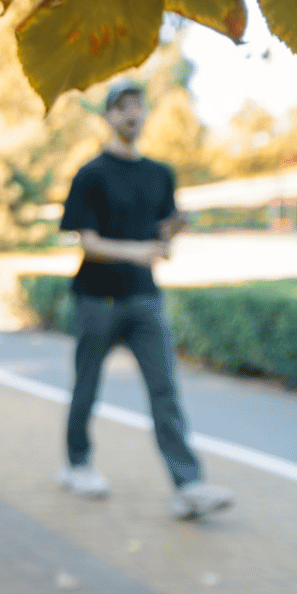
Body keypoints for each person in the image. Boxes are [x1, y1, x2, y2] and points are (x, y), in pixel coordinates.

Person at [56, 79, 234, 520]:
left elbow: (158, 237)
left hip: (144, 299)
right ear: (108, 116)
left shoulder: (160, 174)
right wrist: (138, 251)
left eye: (137, 105)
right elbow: (88, 241)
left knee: (165, 390)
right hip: (96, 299)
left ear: (146, 113)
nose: (131, 114)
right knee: (87, 386)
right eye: (121, 107)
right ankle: (77, 465)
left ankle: (188, 485)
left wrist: (173, 229)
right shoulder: (91, 174)